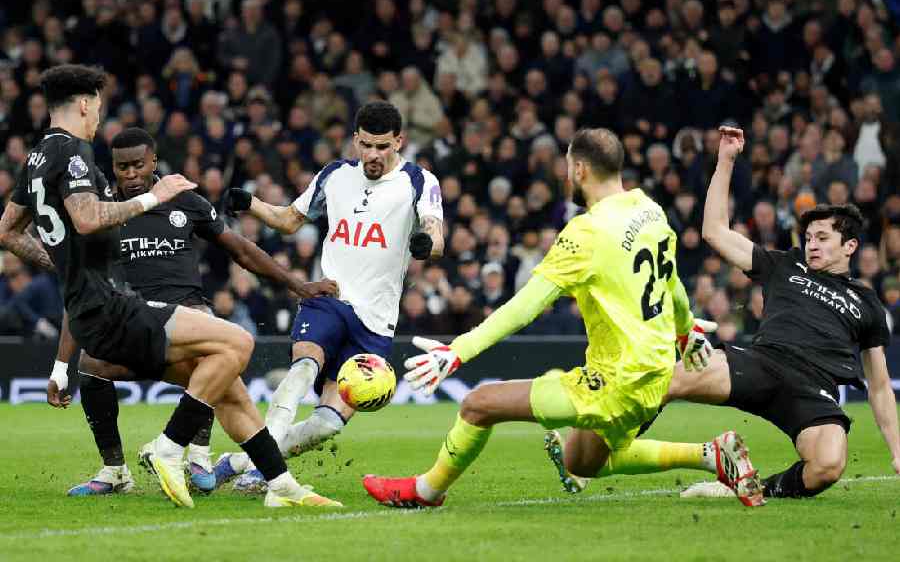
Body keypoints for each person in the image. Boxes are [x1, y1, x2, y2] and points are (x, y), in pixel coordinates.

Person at [361, 128, 763, 508]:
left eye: (568, 167)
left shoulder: (585, 232)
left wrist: (457, 351)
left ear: (580, 169)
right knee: (582, 461)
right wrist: (684, 328)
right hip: (655, 373)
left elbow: (525, 307)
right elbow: (670, 279)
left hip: (617, 380)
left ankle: (425, 491)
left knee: (478, 404)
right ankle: (713, 454)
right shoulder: (649, 209)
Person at [0, 64, 339, 509]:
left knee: (231, 388)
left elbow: (7, 231)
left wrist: (67, 267)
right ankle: (168, 448)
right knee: (238, 342)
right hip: (113, 309)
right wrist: (152, 198)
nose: (98, 117)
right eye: (98, 108)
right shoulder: (74, 153)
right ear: (84, 104)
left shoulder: (37, 156)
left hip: (96, 312)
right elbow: (86, 217)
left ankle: (282, 486)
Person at [553, 127, 900, 501]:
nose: (812, 244)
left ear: (849, 246)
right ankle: (595, 450)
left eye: (823, 238)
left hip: (814, 389)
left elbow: (880, 386)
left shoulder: (866, 302)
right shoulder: (785, 264)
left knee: (828, 465)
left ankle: (745, 486)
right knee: (666, 379)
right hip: (761, 364)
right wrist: (725, 161)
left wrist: (897, 452)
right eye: (810, 237)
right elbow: (715, 232)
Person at [214, 100, 444, 491]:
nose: (373, 155)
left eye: (382, 147)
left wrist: (426, 243)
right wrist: (250, 204)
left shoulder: (419, 181)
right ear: (355, 140)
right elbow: (289, 220)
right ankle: (272, 474)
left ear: (399, 142)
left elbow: (435, 231)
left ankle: (238, 462)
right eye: (366, 145)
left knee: (327, 424)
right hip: (329, 297)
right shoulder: (335, 175)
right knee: (303, 367)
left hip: (375, 320)